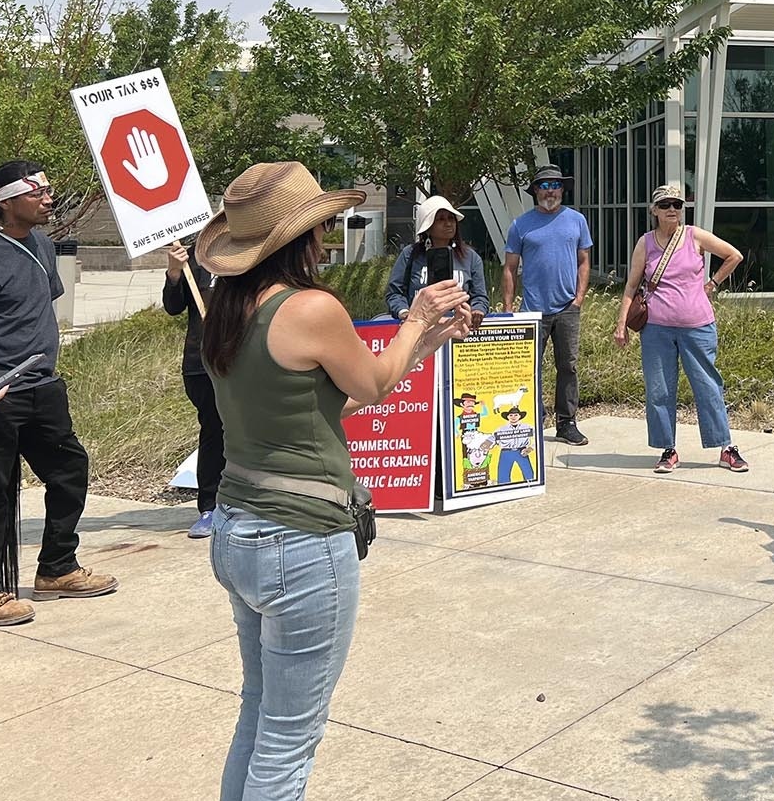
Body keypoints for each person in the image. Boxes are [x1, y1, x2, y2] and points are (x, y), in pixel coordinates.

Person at [197, 161, 470, 799]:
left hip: (239, 527)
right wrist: (414, 318)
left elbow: (329, 402)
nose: (328, 237)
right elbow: (372, 384)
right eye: (320, 226)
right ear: (300, 239)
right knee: (291, 741)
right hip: (301, 542)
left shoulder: (230, 309)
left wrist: (424, 342)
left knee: (260, 713)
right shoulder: (311, 307)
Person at [0, 161, 117, 629]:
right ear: (1, 201)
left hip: (43, 387)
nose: (48, 198)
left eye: (49, 188)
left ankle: (57, 568)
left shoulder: (42, 244)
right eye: (36, 191)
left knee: (69, 471)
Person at [613, 184, 749, 474]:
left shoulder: (693, 236)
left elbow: (734, 255)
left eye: (676, 204)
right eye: (665, 205)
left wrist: (711, 284)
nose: (671, 209)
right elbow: (631, 285)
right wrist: (621, 324)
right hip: (657, 329)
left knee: (708, 386)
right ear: (654, 211)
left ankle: (725, 446)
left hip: (697, 326)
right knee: (659, 390)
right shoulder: (645, 243)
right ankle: (668, 449)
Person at [502, 164, 592, 446]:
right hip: (532, 309)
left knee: (568, 366)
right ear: (535, 191)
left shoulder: (576, 220)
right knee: (529, 368)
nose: (550, 191)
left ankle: (566, 423)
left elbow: (584, 261)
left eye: (555, 185)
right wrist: (508, 307)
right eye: (544, 185)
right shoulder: (520, 225)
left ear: (562, 190)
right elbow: (509, 268)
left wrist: (579, 297)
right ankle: (533, 422)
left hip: (567, 307)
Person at [163, 240, 224, 539]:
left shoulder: (253, 257)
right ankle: (210, 506)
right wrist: (174, 272)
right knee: (213, 430)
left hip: (244, 359)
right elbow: (173, 307)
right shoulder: (196, 259)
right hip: (201, 363)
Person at [385, 195, 489, 326]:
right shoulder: (410, 254)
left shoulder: (470, 257)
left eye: (451, 218)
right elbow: (394, 293)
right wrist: (404, 313)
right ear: (428, 227)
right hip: (419, 328)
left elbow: (480, 296)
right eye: (441, 219)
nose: (448, 223)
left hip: (457, 329)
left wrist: (477, 310)